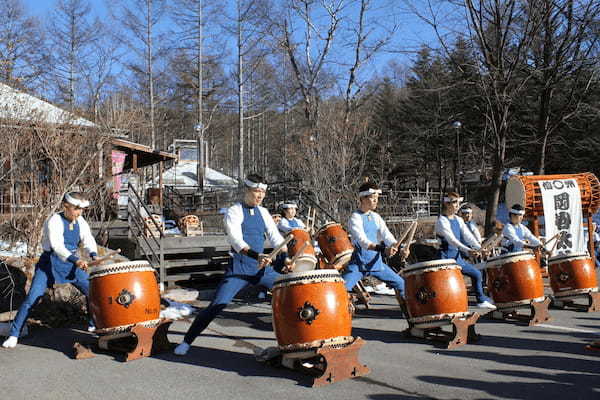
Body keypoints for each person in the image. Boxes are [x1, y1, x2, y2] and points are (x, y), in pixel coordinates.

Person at [174, 174, 288, 356]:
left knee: (290, 292)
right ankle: (187, 341)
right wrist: (256, 255)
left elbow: (275, 237)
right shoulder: (234, 211)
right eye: (256, 192)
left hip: (261, 270)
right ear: (247, 190)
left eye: (263, 193)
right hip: (239, 269)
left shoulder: (264, 212)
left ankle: (292, 343)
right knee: (216, 305)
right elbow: (236, 240)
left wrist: (284, 253)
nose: (259, 196)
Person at [2, 192, 98, 349]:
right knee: (32, 298)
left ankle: (93, 323)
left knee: (92, 291)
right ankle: (14, 334)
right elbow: (57, 246)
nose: (79, 213)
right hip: (49, 264)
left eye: (81, 209)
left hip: (71, 265)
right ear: (66, 206)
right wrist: (77, 260)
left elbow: (88, 238)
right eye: (76, 209)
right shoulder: (54, 220)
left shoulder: (80, 220)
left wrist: (93, 254)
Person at [342, 182, 408, 305]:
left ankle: (411, 317)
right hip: (359, 264)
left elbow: (387, 236)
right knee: (340, 289)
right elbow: (362, 241)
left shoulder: (376, 217)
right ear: (362, 198)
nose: (375, 201)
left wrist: (400, 247)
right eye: (373, 198)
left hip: (376, 264)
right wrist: (383, 249)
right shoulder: (355, 217)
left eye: (377, 199)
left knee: (401, 284)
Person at [435, 192, 495, 309]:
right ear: (447, 204)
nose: (458, 205)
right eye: (455, 203)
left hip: (457, 258)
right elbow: (451, 240)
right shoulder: (442, 221)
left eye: (458, 203)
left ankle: (481, 300)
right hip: (444, 258)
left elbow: (468, 236)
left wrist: (479, 248)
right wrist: (468, 250)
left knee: (476, 274)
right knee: (446, 284)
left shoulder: (458, 219)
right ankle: (444, 306)